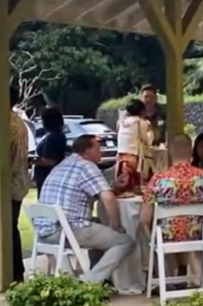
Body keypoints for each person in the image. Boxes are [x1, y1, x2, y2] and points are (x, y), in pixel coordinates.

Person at [33, 134, 136, 285]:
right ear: (88, 151)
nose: (101, 152)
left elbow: (89, 189)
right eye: (98, 148)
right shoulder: (86, 166)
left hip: (44, 231)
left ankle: (100, 277)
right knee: (125, 241)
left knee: (98, 224)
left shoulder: (64, 164)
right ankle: (91, 282)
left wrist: (114, 185)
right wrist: (116, 225)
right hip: (66, 230)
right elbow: (107, 197)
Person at [141, 134, 203, 285]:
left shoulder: (158, 180)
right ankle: (196, 279)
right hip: (198, 235)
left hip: (166, 237)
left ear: (170, 152)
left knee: (146, 230)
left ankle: (165, 280)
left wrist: (152, 240)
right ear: (191, 151)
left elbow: (144, 219)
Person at [9, 87, 32, 285]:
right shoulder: (19, 122)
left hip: (10, 182)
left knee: (8, 228)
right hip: (19, 181)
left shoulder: (7, 124)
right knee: (11, 227)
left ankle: (15, 272)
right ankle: (17, 271)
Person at [115, 99, 154, 195]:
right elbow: (145, 140)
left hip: (120, 153)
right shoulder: (141, 122)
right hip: (132, 153)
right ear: (142, 111)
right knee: (133, 179)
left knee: (122, 179)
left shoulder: (121, 122)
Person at [34, 104, 68, 192]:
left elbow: (50, 160)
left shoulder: (53, 137)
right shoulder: (53, 135)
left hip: (48, 176)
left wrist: (32, 161)